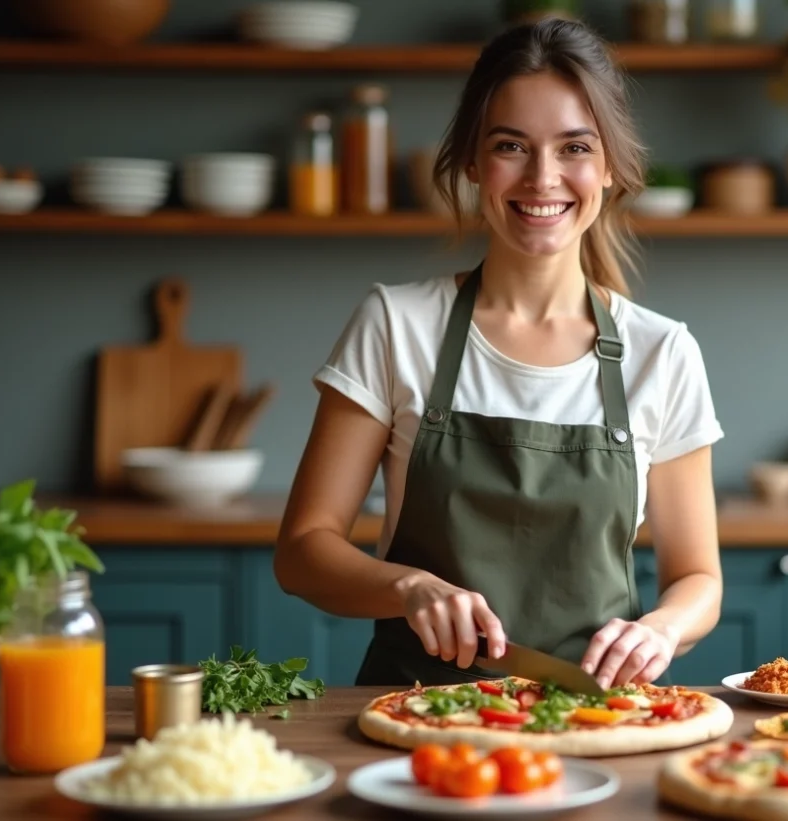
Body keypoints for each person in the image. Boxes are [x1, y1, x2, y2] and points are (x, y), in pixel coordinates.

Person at [274, 18, 725, 690]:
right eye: (512, 145)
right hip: (415, 713)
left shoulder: (662, 352)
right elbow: (303, 552)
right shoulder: (397, 324)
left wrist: (661, 627)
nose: (543, 178)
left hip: (594, 716)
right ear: (472, 164)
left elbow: (699, 578)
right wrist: (409, 587)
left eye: (575, 147)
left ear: (609, 169)